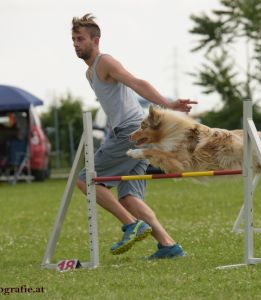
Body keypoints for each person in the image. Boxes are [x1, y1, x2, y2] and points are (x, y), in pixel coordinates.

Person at [72, 13, 196, 259]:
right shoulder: (89, 74)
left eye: (80, 39)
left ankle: (131, 225)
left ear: (95, 40)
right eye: (73, 39)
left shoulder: (105, 62)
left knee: (86, 180)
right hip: (136, 134)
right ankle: (169, 246)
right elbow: (116, 103)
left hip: (131, 133)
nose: (75, 43)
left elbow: (136, 83)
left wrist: (167, 104)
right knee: (128, 196)